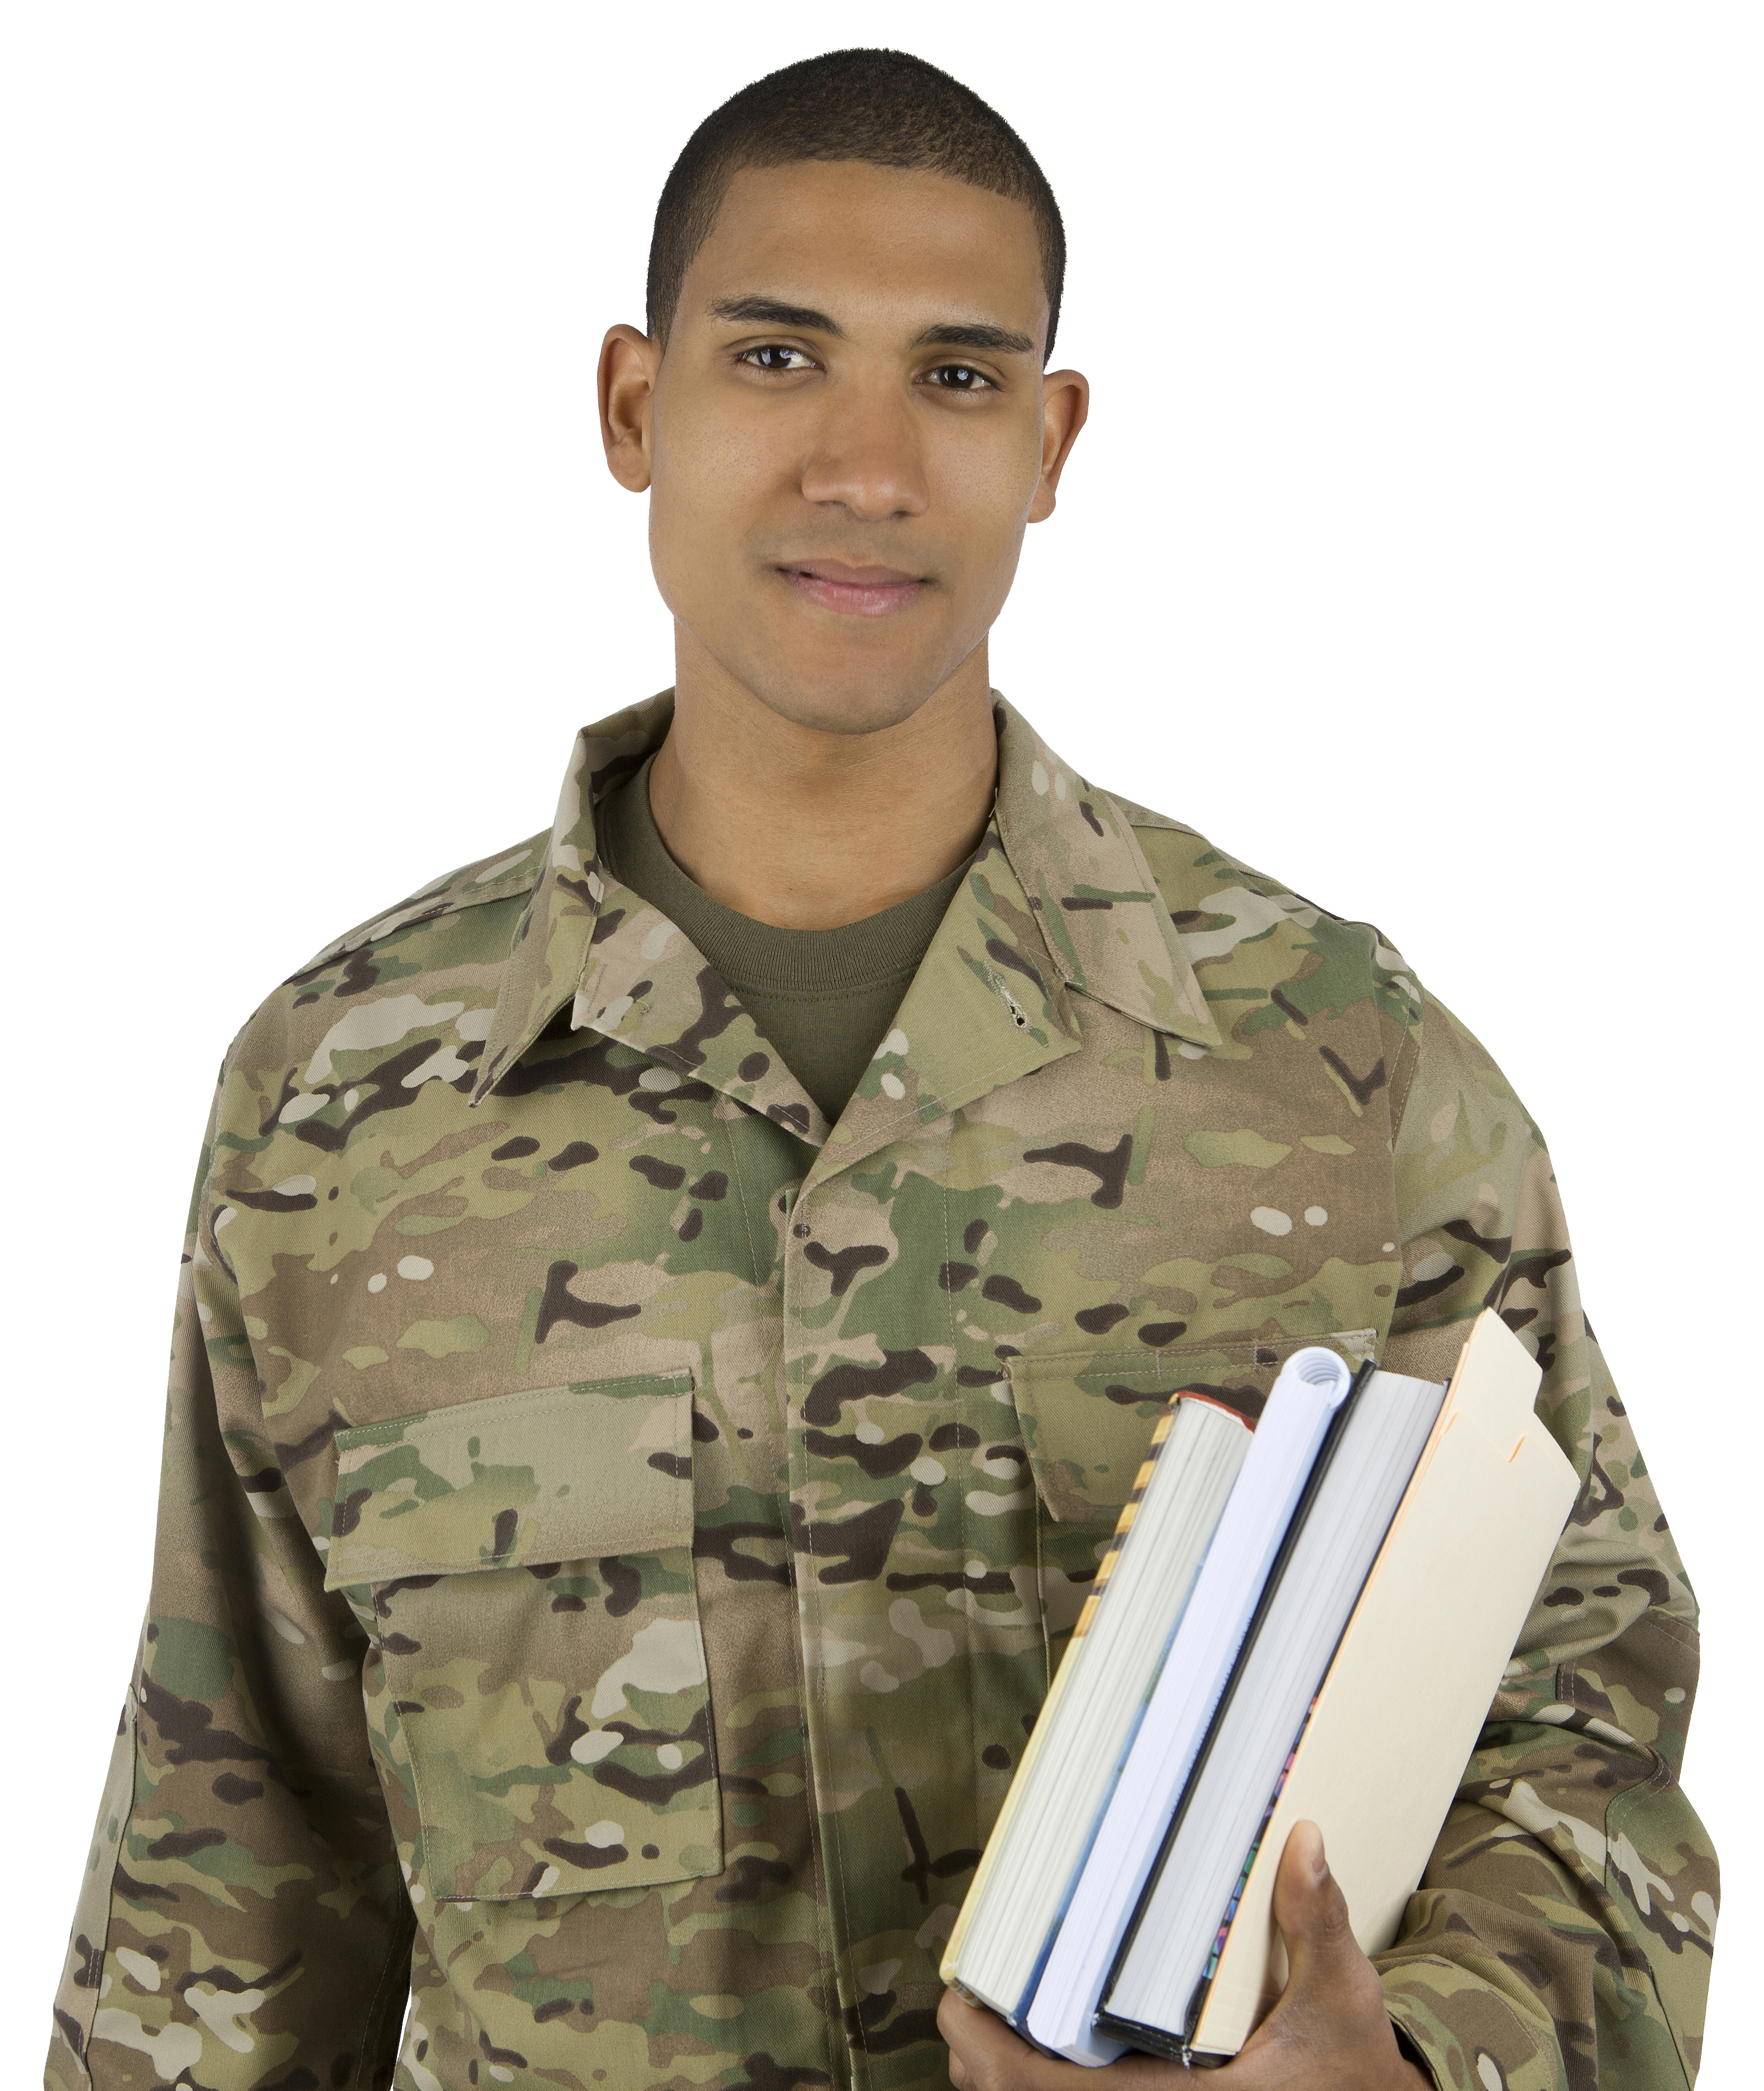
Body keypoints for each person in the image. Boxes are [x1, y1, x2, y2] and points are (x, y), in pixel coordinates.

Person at [54, 49, 1713, 2091]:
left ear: (1050, 437)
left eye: (954, 377)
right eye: (777, 357)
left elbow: (1605, 1731)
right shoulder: (344, 1100)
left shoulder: (1345, 1065)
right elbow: (236, 1880)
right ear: (634, 406)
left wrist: (1426, 2059)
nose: (866, 467)